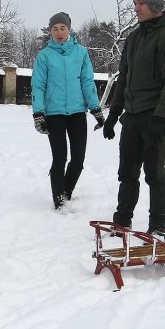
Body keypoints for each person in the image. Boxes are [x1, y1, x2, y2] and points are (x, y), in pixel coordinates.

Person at [98, 0, 165, 238]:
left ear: (154, 4)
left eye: (140, 3)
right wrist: (114, 114)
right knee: (127, 172)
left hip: (156, 117)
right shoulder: (135, 37)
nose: (136, 8)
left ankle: (158, 225)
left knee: (154, 173)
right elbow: (123, 78)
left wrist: (160, 118)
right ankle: (122, 221)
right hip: (133, 116)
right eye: (135, 3)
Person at [31, 11, 105, 209]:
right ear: (50, 31)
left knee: (78, 159)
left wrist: (95, 108)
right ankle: (59, 200)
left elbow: (87, 82)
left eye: (62, 28)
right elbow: (38, 85)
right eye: (54, 29)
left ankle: (66, 191)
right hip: (54, 114)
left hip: (77, 113)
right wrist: (38, 113)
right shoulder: (44, 56)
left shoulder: (81, 53)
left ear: (69, 29)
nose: (59, 32)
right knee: (60, 158)